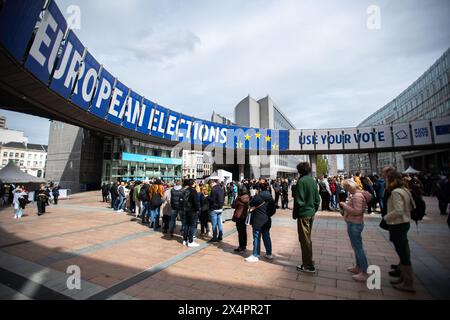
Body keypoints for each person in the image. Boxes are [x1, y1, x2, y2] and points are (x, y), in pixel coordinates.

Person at [383, 171, 416, 292]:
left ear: (390, 180)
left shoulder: (396, 192)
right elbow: (412, 206)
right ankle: (403, 278)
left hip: (398, 224)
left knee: (403, 253)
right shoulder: (405, 189)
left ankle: (408, 283)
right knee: (403, 252)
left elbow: (398, 211)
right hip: (405, 222)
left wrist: (386, 218)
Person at [340, 180, 372, 282]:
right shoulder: (358, 195)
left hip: (354, 224)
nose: (346, 190)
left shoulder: (357, 196)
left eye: (346, 187)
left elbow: (357, 211)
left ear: (350, 187)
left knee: (358, 248)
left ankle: (365, 272)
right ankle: (358, 267)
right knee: (356, 246)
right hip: (355, 223)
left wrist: (344, 205)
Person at [293, 162, 320, 273]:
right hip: (311, 213)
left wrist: (297, 213)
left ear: (299, 171)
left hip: (303, 214)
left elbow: (299, 201)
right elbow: (317, 200)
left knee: (304, 240)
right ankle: (308, 261)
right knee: (307, 238)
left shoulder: (301, 182)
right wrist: (313, 210)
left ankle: (308, 265)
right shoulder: (313, 181)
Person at [245, 179, 275, 262]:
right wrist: (268, 215)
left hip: (258, 220)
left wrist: (253, 196)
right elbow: (273, 210)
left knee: (256, 236)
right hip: (267, 220)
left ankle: (255, 254)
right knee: (266, 236)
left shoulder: (258, 196)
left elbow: (250, 204)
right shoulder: (270, 196)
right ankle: (269, 253)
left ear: (259, 188)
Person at [231, 186, 250, 253]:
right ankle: (244, 246)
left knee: (240, 232)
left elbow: (233, 205)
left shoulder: (239, 198)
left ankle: (241, 247)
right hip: (245, 216)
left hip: (239, 217)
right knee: (244, 232)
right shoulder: (248, 197)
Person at [182, 179, 200, 247]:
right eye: (195, 183)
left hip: (186, 209)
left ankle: (184, 240)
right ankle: (190, 241)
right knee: (192, 225)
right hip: (192, 210)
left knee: (186, 225)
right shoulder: (193, 191)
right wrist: (198, 209)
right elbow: (195, 202)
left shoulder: (185, 190)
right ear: (193, 184)